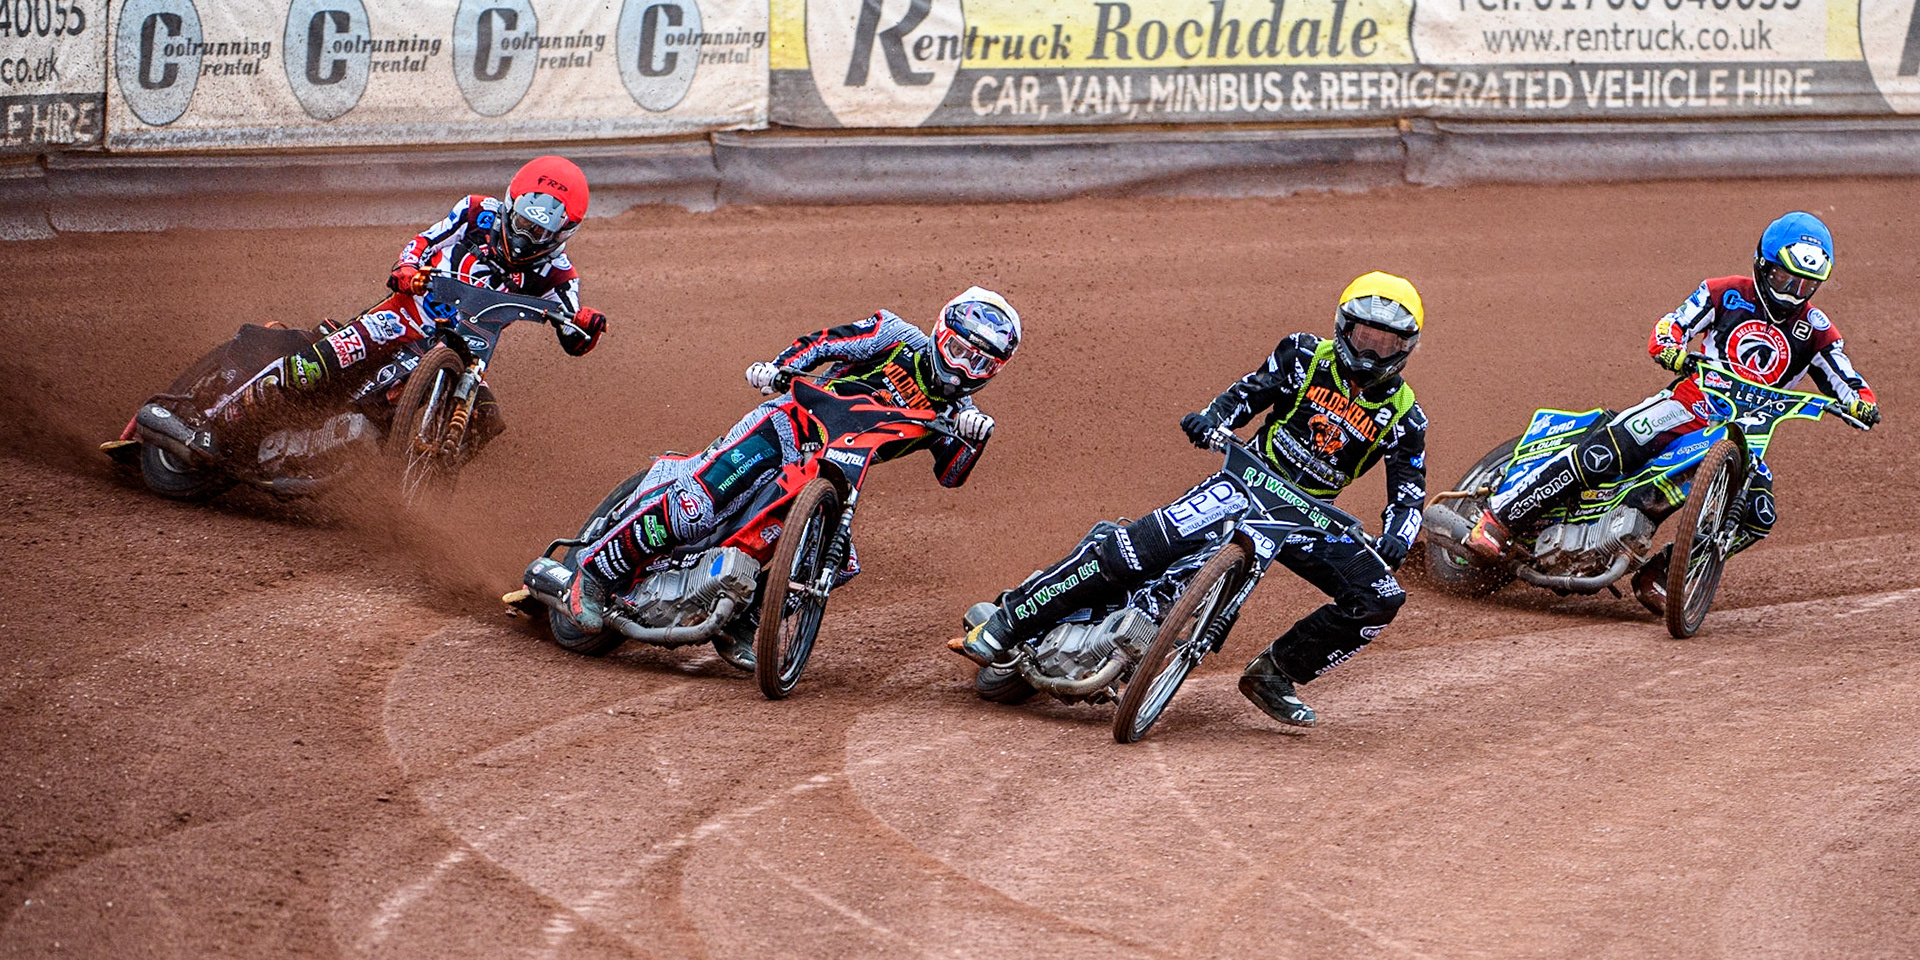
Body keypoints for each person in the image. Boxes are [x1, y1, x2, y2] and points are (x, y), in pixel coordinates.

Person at [952, 272, 1429, 728]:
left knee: (1379, 597)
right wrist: (1211, 419)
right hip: (1245, 480)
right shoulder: (1303, 354)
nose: (1372, 351)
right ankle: (1010, 622)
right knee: (1130, 552)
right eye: (1366, 336)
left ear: (1405, 348)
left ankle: (1275, 674)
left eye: (1386, 343)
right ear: (1344, 328)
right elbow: (1246, 394)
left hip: (1307, 517)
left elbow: (1409, 493)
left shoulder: (1408, 418)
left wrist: (1398, 539)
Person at [559, 287, 1022, 667]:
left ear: (994, 371)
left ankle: (750, 619)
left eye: (979, 363)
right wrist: (781, 368)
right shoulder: (896, 336)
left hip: (839, 470)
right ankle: (596, 574)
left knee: (837, 562)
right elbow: (822, 343)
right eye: (959, 350)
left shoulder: (960, 416)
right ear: (942, 333)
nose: (963, 368)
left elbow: (951, 476)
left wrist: (975, 439)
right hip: (787, 425)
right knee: (695, 508)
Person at [1465, 212, 1879, 568]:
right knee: (1608, 450)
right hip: (1691, 405)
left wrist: (1862, 404)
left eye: (1807, 285)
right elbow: (1672, 325)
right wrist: (1671, 350)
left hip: (1748, 436)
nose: (1795, 292)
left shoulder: (1818, 331)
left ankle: (1666, 574)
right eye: (1787, 278)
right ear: (1763, 264)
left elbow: (1848, 379)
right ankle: (1500, 519)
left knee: (1759, 514)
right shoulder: (1724, 292)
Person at [202, 155, 608, 436]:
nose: (524, 238)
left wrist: (586, 327)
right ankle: (215, 419)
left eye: (539, 233)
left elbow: (571, 329)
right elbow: (424, 240)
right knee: (318, 366)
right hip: (408, 314)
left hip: (465, 352)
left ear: (562, 233)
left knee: (487, 420)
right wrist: (407, 270)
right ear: (510, 204)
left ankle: (416, 469)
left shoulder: (559, 273)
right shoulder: (474, 211)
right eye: (522, 222)